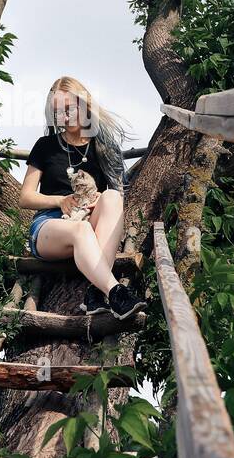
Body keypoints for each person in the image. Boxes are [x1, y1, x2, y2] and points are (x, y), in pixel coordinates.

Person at [18, 76, 147, 319]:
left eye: (69, 109)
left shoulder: (102, 146)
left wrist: (97, 200)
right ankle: (115, 292)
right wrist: (59, 201)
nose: (65, 117)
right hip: (50, 226)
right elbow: (25, 197)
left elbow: (118, 191)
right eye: (58, 112)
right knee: (82, 231)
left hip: (87, 219)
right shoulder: (45, 146)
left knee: (112, 197)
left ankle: (94, 294)